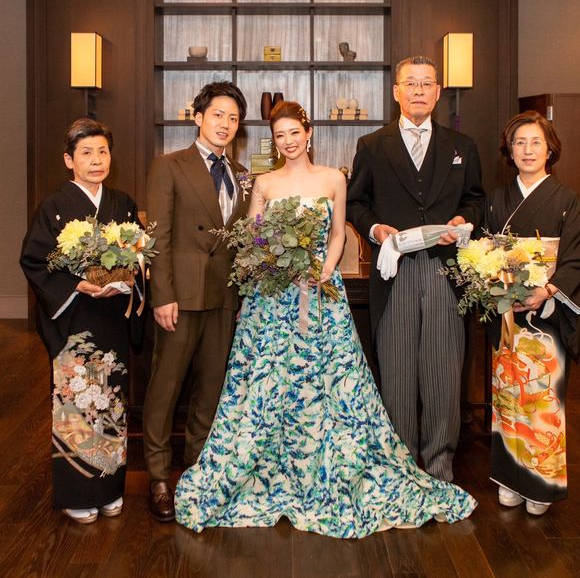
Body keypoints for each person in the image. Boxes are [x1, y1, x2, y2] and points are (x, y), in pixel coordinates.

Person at [174, 101, 476, 539]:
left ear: (309, 133)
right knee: (267, 385)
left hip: (321, 293)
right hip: (272, 299)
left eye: (294, 133)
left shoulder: (334, 178)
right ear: (273, 142)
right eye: (280, 136)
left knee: (335, 382)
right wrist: (275, 264)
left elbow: (338, 234)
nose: (288, 141)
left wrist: (324, 270)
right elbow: (255, 238)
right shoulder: (264, 182)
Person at [346, 55, 485, 482]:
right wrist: (376, 230)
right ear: (397, 91)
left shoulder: (462, 146)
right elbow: (355, 203)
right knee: (397, 371)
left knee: (444, 371)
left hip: (446, 270)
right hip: (396, 270)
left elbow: (476, 199)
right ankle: (400, 467)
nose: (419, 90)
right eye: (411, 83)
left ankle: (440, 466)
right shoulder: (373, 145)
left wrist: (463, 221)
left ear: (438, 92)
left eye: (427, 83)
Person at [20, 118, 140, 524]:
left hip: (112, 317)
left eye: (102, 151)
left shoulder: (123, 203)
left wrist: (128, 277)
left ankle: (108, 487)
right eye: (86, 153)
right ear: (69, 160)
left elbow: (140, 256)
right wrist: (76, 284)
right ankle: (77, 492)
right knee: (77, 402)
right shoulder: (53, 207)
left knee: (112, 403)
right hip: (74, 320)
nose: (96, 160)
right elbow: (34, 261)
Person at [143, 81, 250, 522]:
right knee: (165, 389)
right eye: (218, 114)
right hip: (181, 298)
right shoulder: (169, 166)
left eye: (233, 118)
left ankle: (197, 473)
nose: (225, 123)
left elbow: (242, 242)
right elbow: (159, 238)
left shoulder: (243, 175)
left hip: (223, 298)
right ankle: (158, 477)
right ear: (198, 117)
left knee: (210, 392)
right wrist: (163, 295)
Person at [486, 110, 580, 515]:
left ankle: (540, 482)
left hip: (548, 316)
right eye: (519, 143)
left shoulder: (567, 200)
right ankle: (510, 478)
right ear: (510, 151)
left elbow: (574, 257)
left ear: (550, 149)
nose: (527, 150)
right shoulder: (496, 199)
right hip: (507, 313)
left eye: (535, 142)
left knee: (543, 400)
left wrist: (546, 290)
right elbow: (484, 251)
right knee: (508, 396)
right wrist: (494, 283)